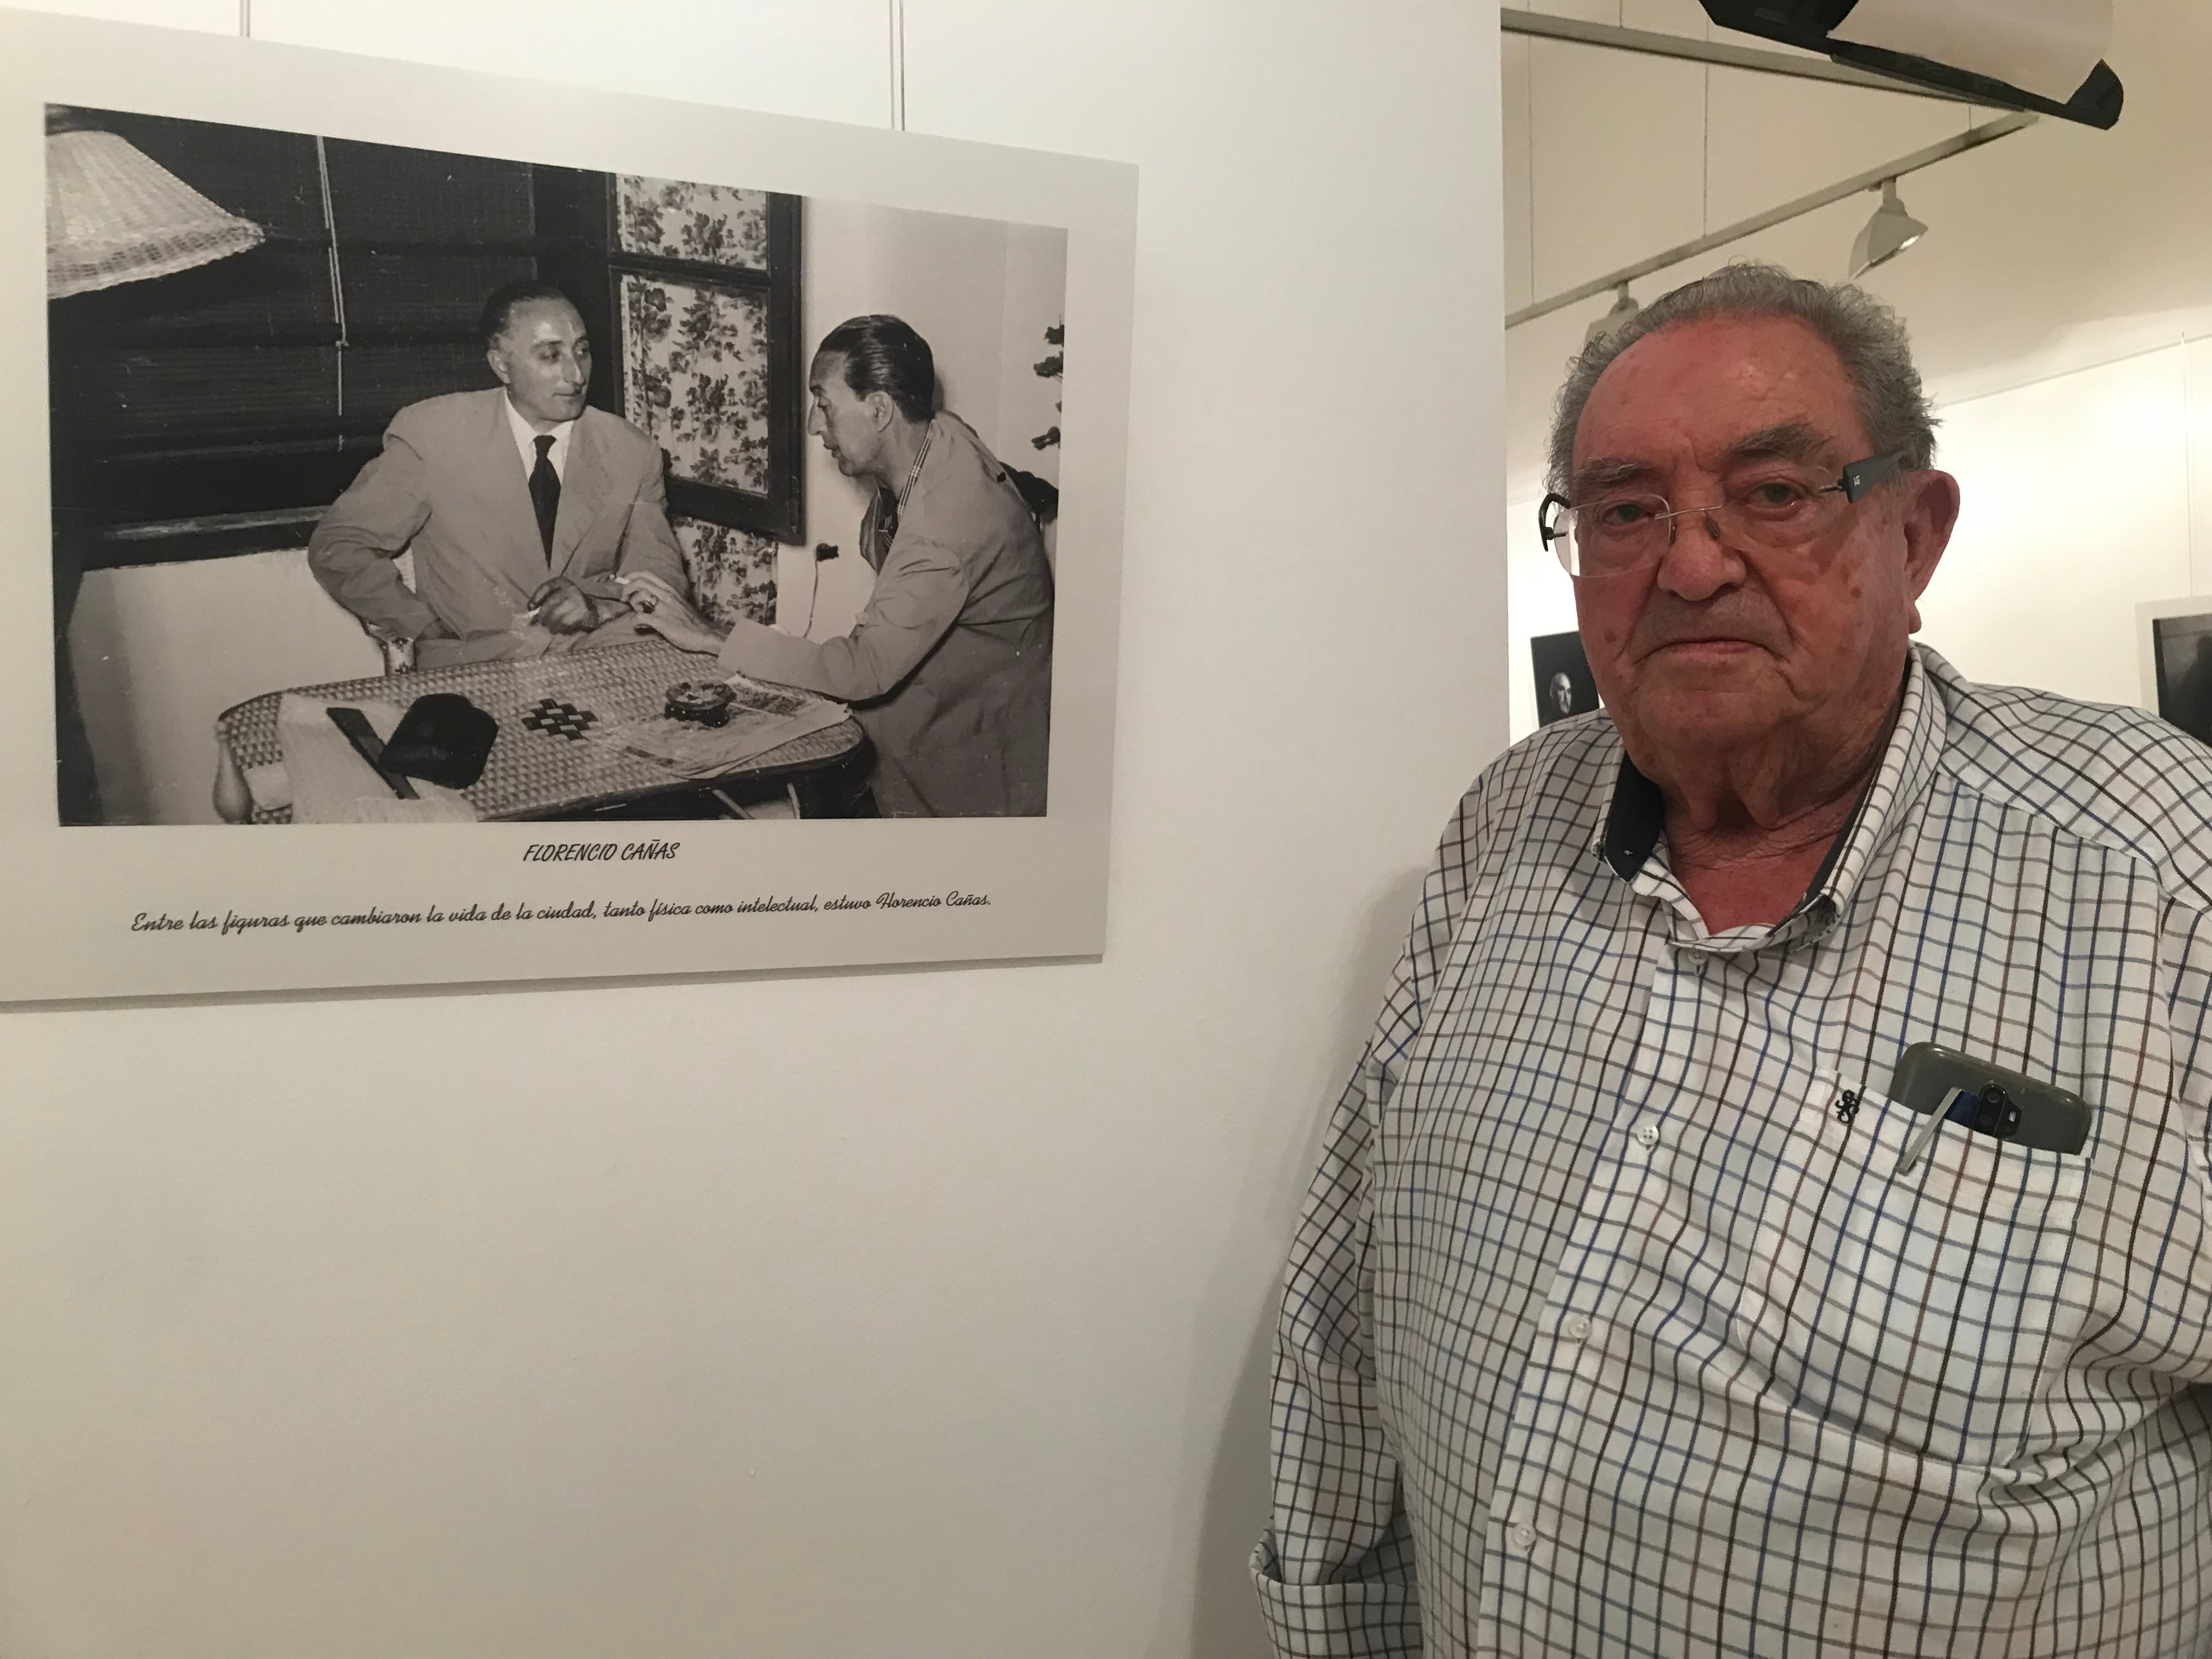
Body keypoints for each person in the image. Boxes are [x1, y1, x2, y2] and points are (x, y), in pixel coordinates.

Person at [1253, 263, 2212, 1656]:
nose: (1691, 564)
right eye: (1628, 510)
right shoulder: (1508, 824)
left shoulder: (2157, 864)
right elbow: (1352, 1310)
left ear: (1917, 532)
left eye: (1773, 494)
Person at [629, 314, 1053, 817]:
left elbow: (862, 669)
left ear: (879, 409)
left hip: (966, 771)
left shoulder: (946, 526)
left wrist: (711, 635)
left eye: (824, 405)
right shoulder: (936, 439)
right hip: (939, 718)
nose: (813, 424)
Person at [309, 279, 691, 668]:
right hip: (477, 664)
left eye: (582, 351)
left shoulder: (631, 450)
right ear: (501, 365)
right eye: (550, 355)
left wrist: (600, 607)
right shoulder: (434, 435)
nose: (576, 375)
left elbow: (659, 574)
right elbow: (339, 546)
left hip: (599, 654)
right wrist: (421, 627)